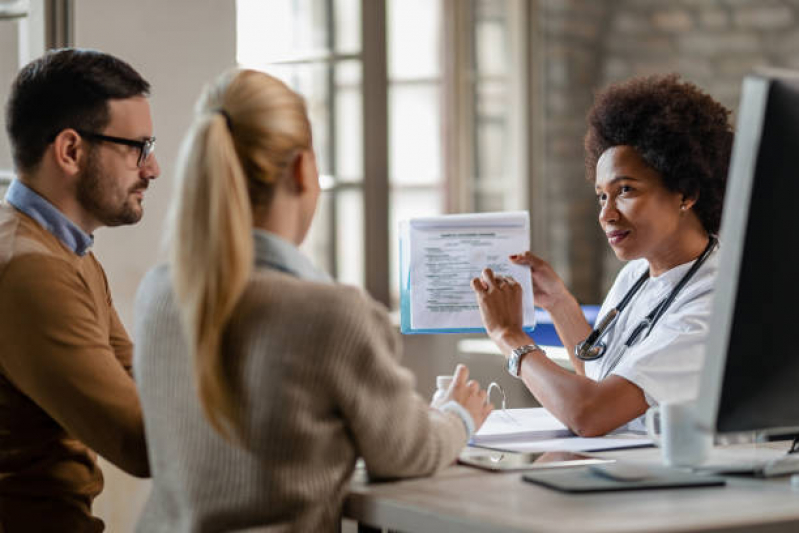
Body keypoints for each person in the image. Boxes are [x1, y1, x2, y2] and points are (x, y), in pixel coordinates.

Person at [133, 68, 492, 532]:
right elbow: (407, 453)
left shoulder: (157, 293)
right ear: (304, 169)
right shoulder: (331, 315)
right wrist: (458, 416)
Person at [472, 74, 733, 437]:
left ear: (685, 193)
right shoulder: (637, 275)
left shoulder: (714, 303)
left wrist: (508, 335)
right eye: (601, 196)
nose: (606, 214)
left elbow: (590, 412)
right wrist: (560, 305)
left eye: (625, 190)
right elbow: (600, 377)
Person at [0, 48, 159, 531]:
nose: (151, 169)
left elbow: (142, 379)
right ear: (70, 151)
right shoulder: (30, 268)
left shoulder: (65, 251)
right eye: (138, 148)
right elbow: (142, 441)